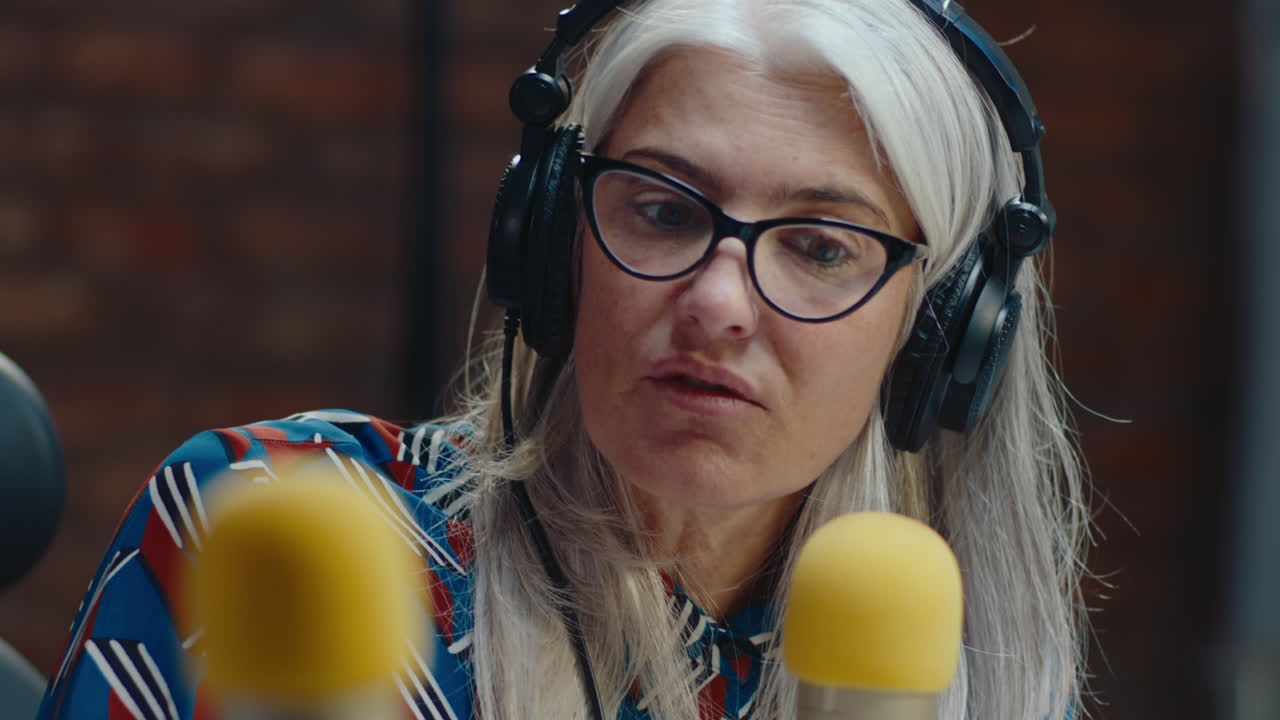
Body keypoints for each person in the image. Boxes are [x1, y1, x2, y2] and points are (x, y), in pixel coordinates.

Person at [38, 0, 1090, 718]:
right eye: (663, 210)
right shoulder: (261, 525)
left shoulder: (945, 676)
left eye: (820, 247)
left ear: (941, 330)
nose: (718, 302)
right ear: (549, 241)